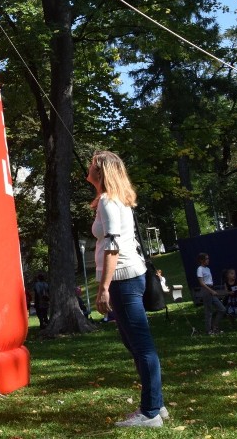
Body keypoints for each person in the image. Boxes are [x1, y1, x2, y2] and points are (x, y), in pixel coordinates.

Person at [87, 150, 167, 428]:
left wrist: (104, 288)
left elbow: (112, 248)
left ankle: (150, 413)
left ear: (101, 171)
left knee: (141, 346)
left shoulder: (110, 202)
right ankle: (157, 404)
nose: (88, 166)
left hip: (122, 279)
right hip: (130, 277)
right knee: (135, 344)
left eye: (92, 164)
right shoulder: (112, 199)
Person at [196, 253, 226, 335]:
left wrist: (212, 290)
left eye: (208, 258)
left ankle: (214, 327)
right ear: (201, 260)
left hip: (211, 288)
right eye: (206, 259)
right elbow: (202, 283)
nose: (208, 260)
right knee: (209, 311)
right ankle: (209, 330)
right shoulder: (200, 269)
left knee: (222, 309)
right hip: (206, 290)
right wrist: (211, 291)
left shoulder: (208, 269)